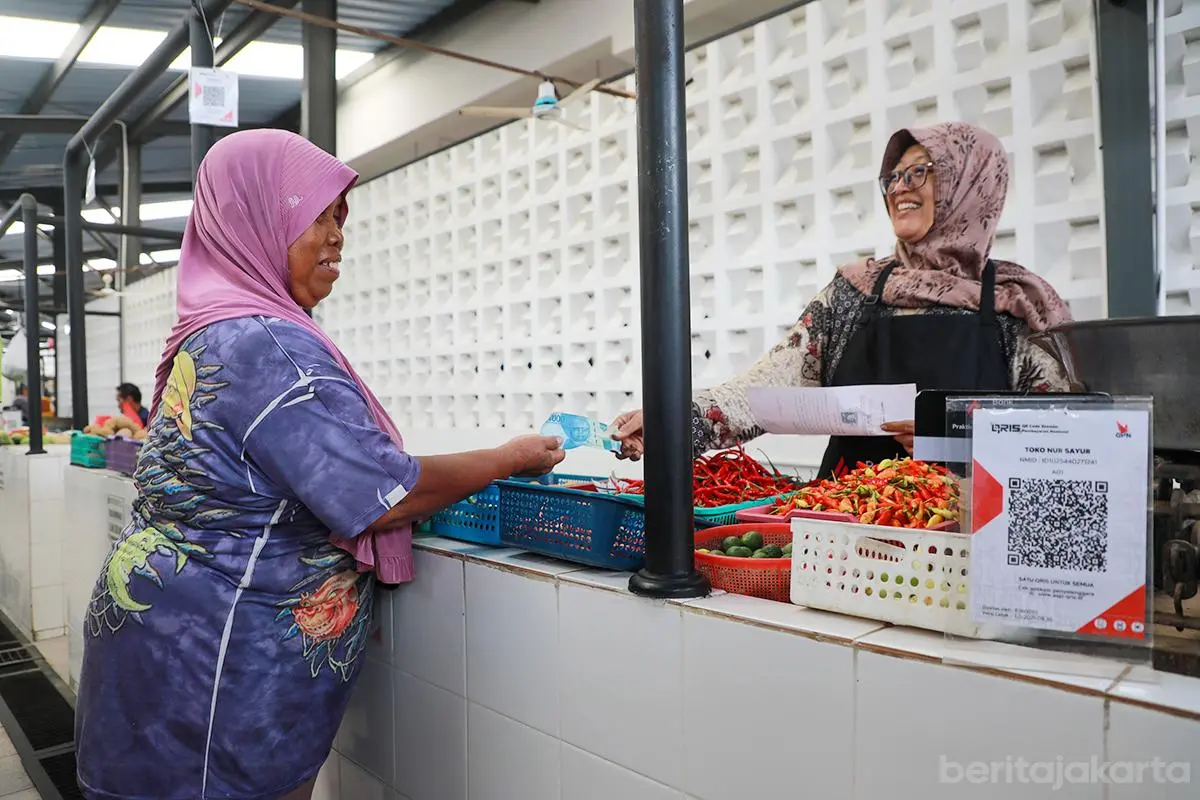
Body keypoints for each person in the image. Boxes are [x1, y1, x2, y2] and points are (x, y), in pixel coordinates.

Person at [74, 129, 566, 800]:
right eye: (316, 214)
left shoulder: (213, 329)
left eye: (341, 216)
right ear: (255, 218)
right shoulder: (268, 345)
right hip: (219, 659)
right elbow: (380, 493)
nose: (336, 236)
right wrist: (507, 458)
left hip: (169, 632)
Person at [611, 121, 1073, 477]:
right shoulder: (854, 291)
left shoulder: (1017, 306)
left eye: (919, 173)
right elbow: (766, 388)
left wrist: (955, 436)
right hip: (844, 533)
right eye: (891, 178)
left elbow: (1060, 442)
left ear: (971, 185)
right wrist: (670, 419)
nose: (899, 188)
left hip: (970, 535)